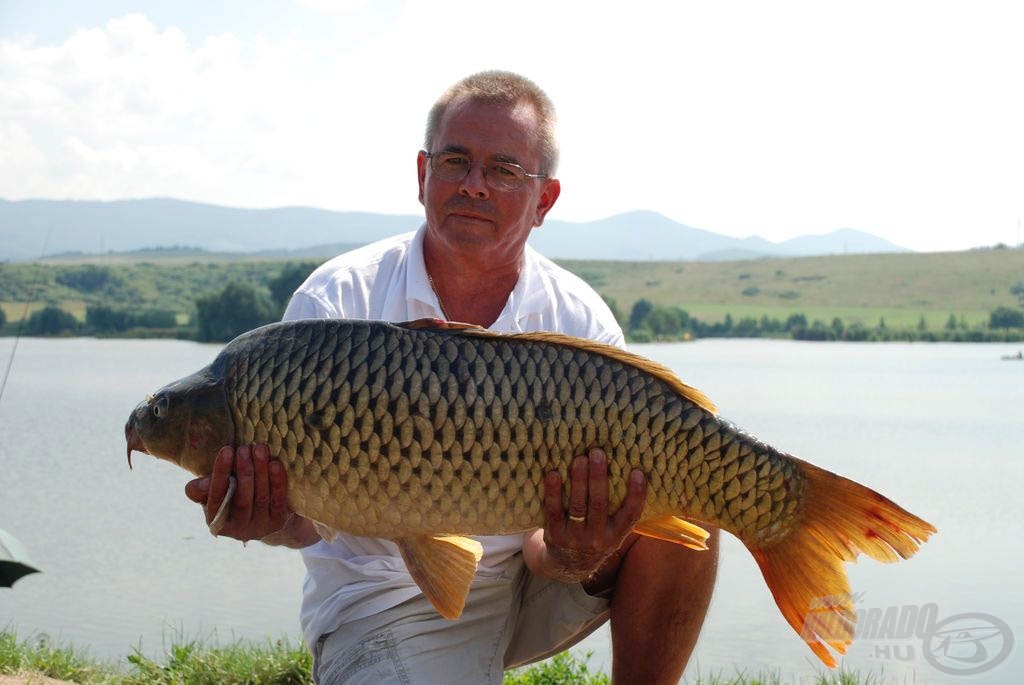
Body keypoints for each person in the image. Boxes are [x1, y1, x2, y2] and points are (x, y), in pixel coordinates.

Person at [184, 70, 718, 684]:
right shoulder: (337, 301)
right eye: (455, 161)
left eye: (504, 171)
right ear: (422, 175)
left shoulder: (577, 318)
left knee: (689, 482)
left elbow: (550, 554)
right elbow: (310, 521)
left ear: (544, 200)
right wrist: (268, 518)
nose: (474, 186)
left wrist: (579, 550)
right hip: (385, 593)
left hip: (539, 572)